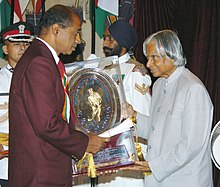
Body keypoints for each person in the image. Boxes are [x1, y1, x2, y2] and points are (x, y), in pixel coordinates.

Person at [8, 5, 108, 187]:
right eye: (76, 33)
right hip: (40, 174)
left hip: (46, 169)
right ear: (56, 30)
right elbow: (47, 124)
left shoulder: (43, 58)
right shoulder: (39, 62)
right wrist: (84, 142)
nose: (78, 40)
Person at [123, 29, 214, 187]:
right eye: (148, 58)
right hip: (159, 179)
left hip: (185, 180)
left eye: (154, 58)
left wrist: (155, 166)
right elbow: (156, 129)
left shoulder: (192, 88)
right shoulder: (159, 84)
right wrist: (133, 115)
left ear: (171, 55)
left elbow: (191, 145)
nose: (148, 64)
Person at [100, 19, 152, 186]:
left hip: (125, 151)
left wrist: (136, 156)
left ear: (122, 44)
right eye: (104, 38)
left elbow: (142, 119)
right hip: (103, 149)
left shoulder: (136, 72)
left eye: (110, 39)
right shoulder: (102, 69)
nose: (105, 43)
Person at [0, 21, 34, 187]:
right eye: (17, 43)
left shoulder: (39, 77)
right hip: (6, 162)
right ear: (5, 49)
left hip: (36, 160)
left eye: (27, 43)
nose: (23, 47)